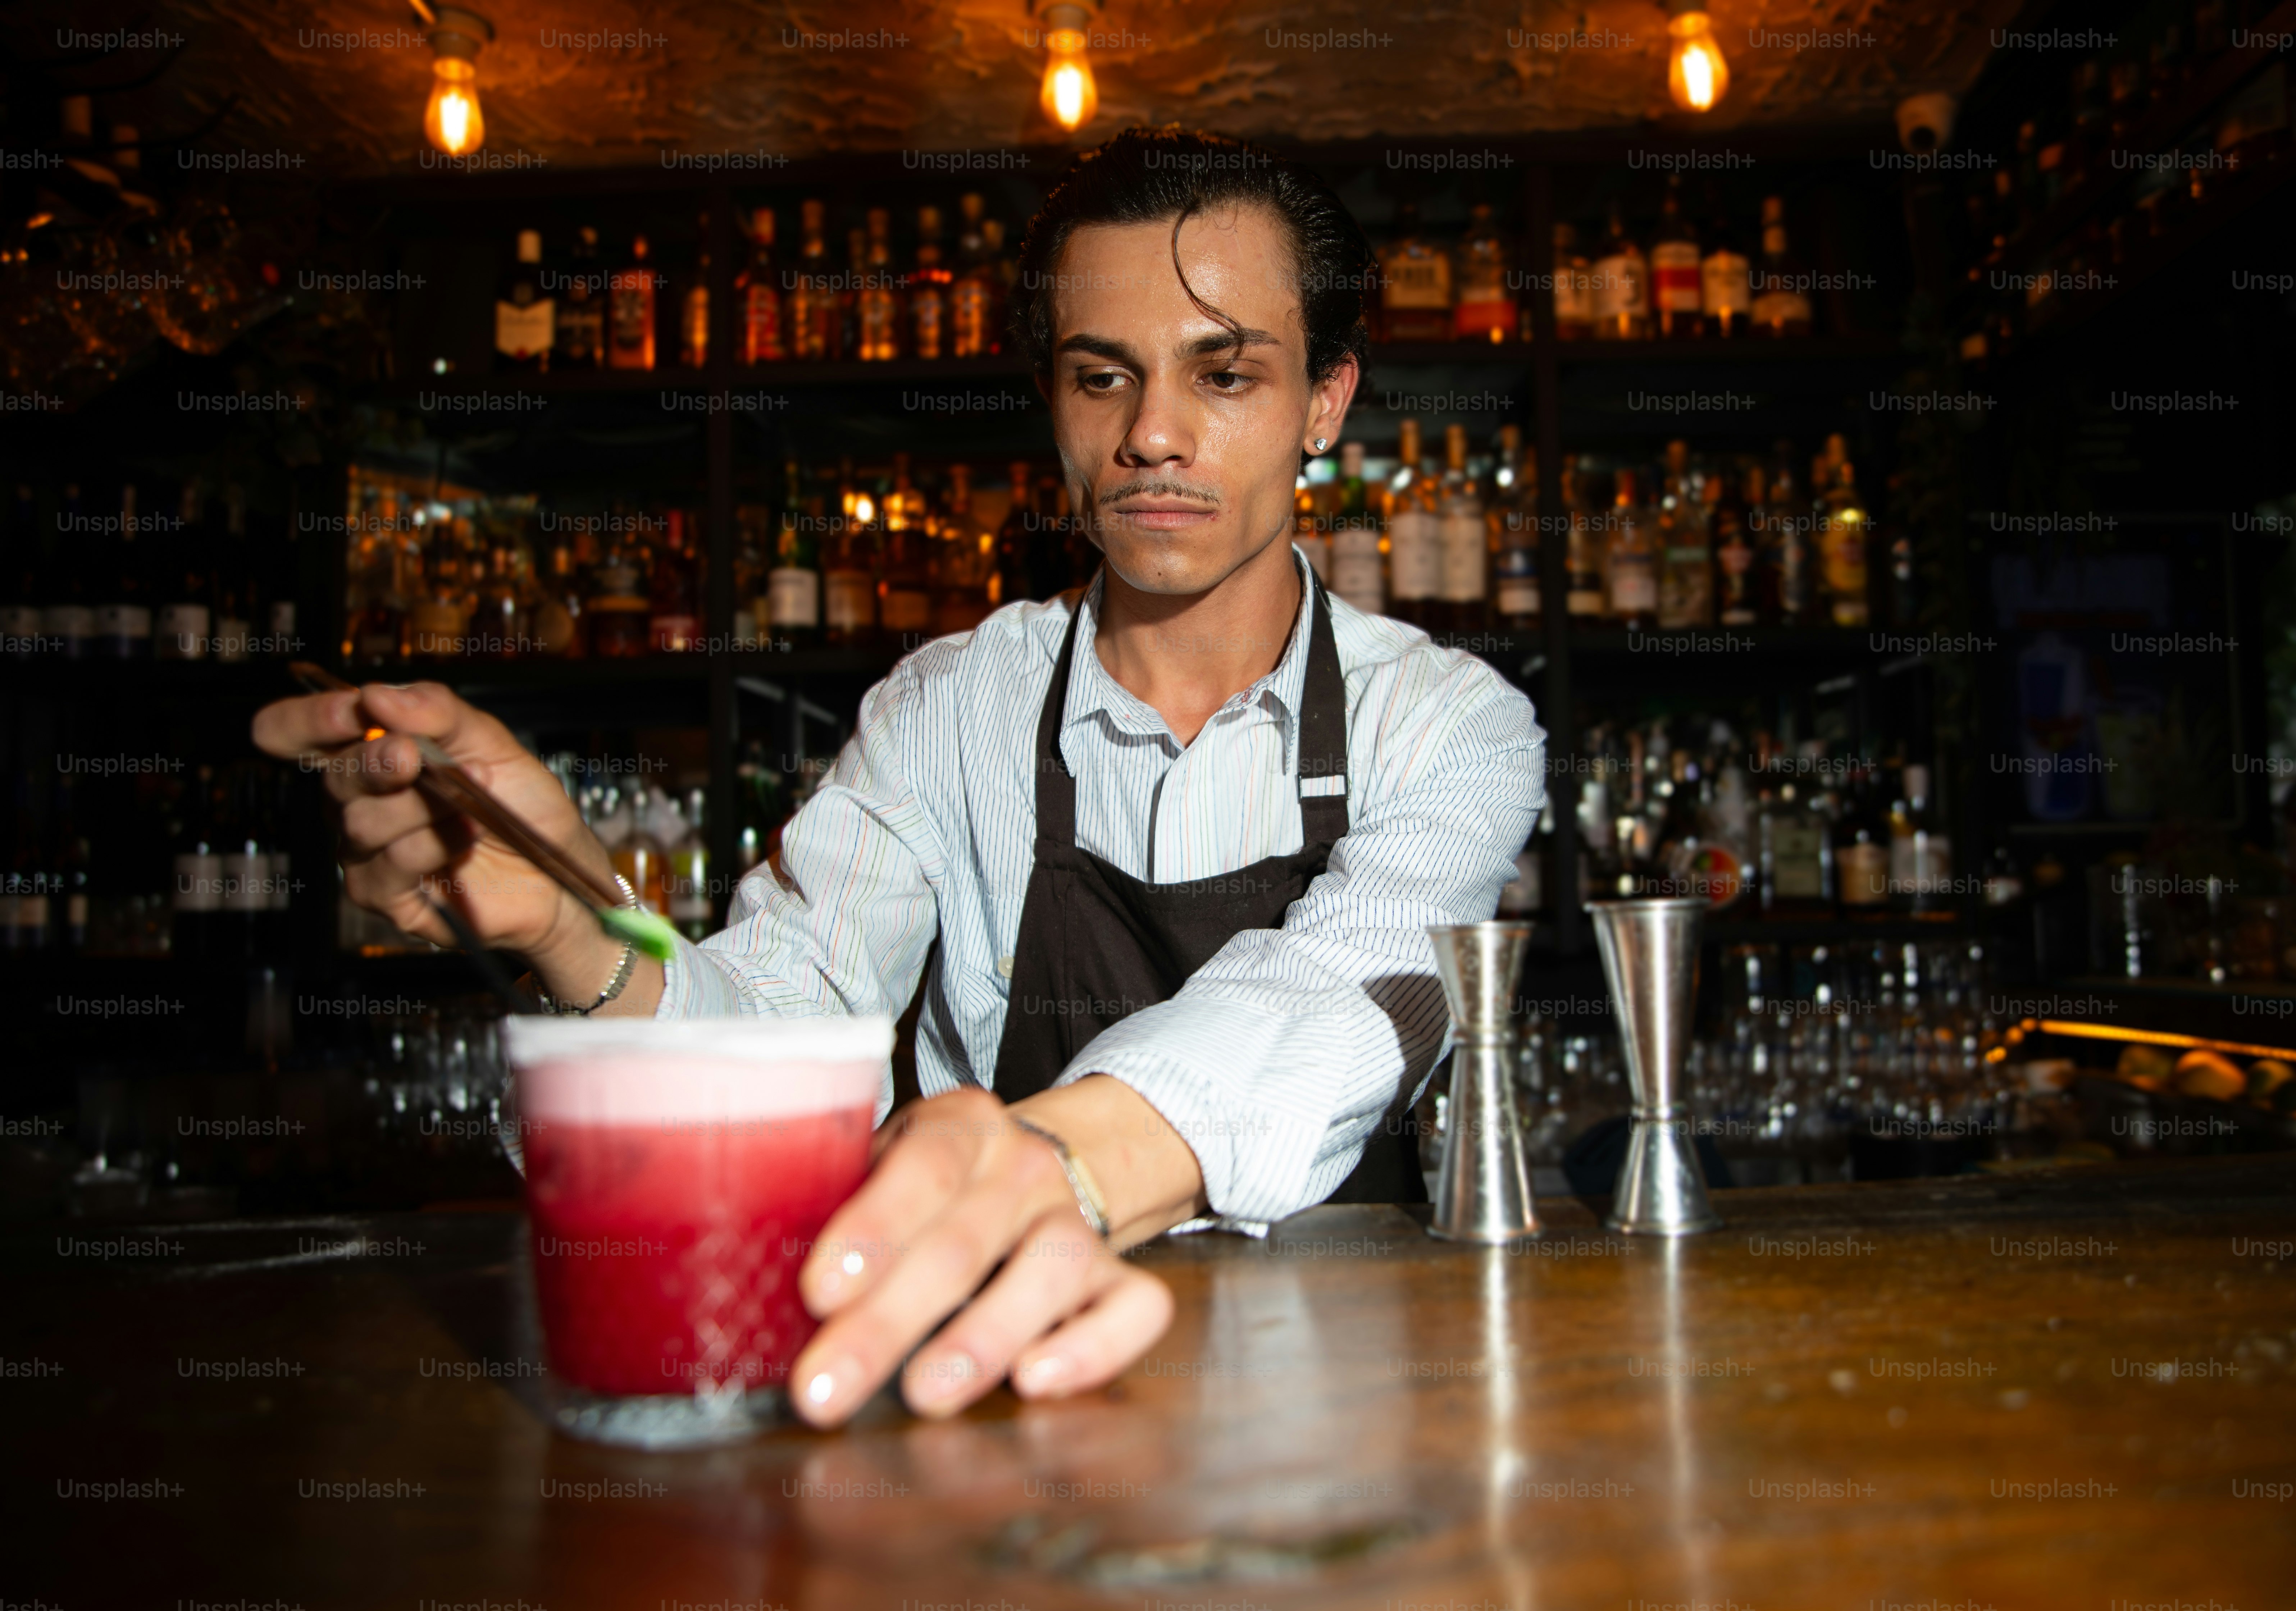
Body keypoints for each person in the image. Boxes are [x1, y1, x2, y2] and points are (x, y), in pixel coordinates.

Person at [252, 127, 1544, 1428]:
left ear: (1326, 400)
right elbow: (778, 1035)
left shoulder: (1445, 726)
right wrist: (570, 917)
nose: (1154, 433)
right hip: (978, 1417)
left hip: (1332, 1422)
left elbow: (1337, 993)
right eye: (1104, 378)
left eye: (1225, 374)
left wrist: (1043, 1163)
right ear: (1053, 404)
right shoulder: (948, 710)